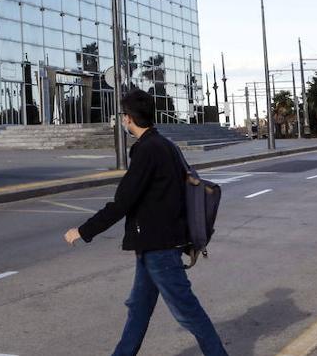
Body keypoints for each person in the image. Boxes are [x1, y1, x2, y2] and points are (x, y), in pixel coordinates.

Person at [64, 89, 228, 356]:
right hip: (157, 244)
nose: (122, 121)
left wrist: (82, 231)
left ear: (128, 118)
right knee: (138, 310)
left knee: (188, 312)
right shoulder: (166, 145)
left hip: (160, 248)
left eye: (123, 117)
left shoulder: (147, 151)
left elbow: (122, 203)